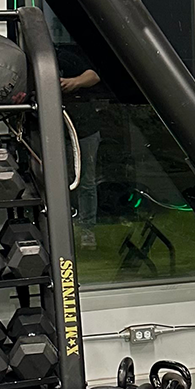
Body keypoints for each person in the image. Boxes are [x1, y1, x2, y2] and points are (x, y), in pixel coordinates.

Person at [56, 43, 107, 250]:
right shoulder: (26, 62)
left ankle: (87, 230)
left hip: (84, 128)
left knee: (86, 181)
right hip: (52, 131)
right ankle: (59, 229)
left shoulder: (62, 55)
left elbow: (93, 76)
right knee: (56, 183)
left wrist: (74, 82)